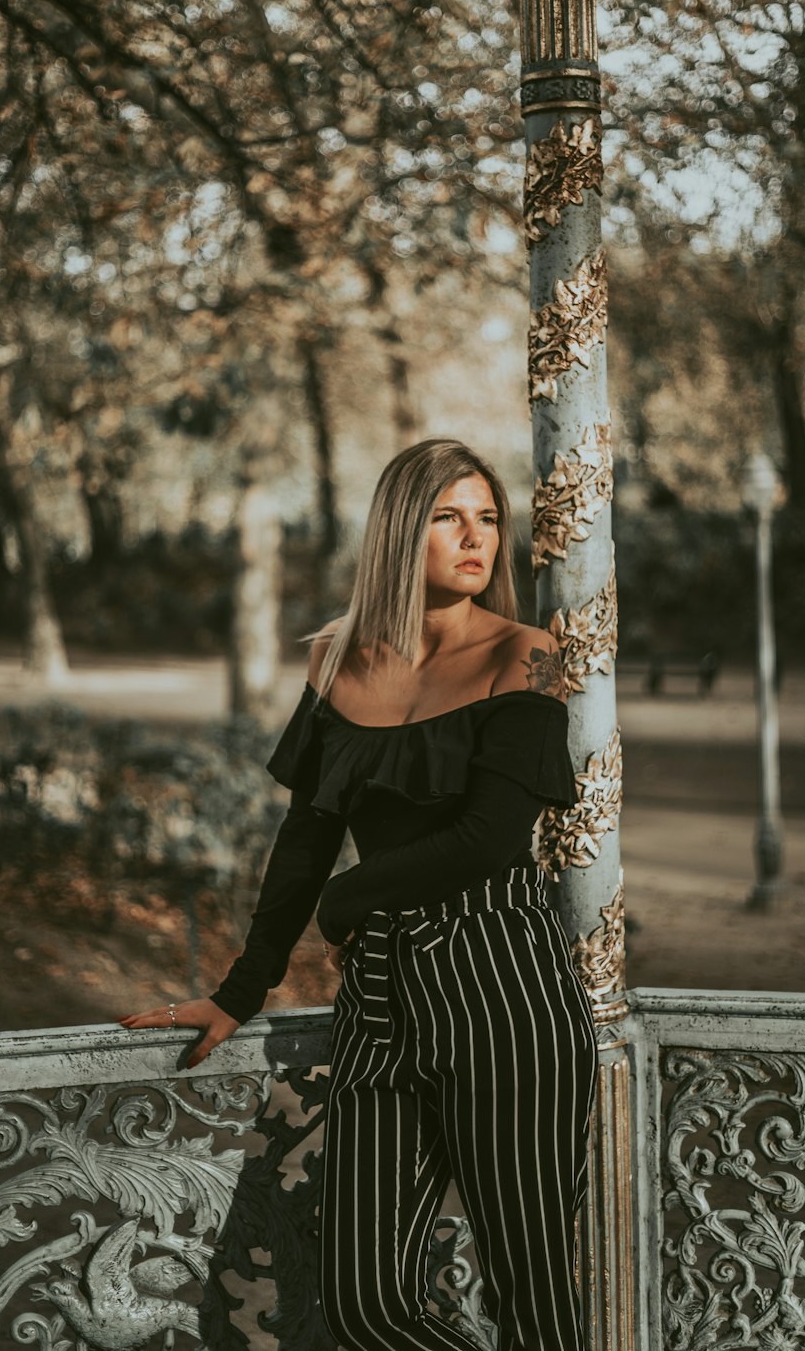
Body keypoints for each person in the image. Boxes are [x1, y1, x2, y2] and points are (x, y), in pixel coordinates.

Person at [120, 436, 599, 1351]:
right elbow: (304, 839)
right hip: (380, 998)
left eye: (489, 518)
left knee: (534, 1302)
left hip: (503, 987)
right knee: (364, 1300)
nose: (477, 539)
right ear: (397, 534)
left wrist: (349, 903)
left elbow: (487, 840)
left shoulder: (526, 655)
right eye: (449, 518)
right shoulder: (338, 663)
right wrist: (242, 986)